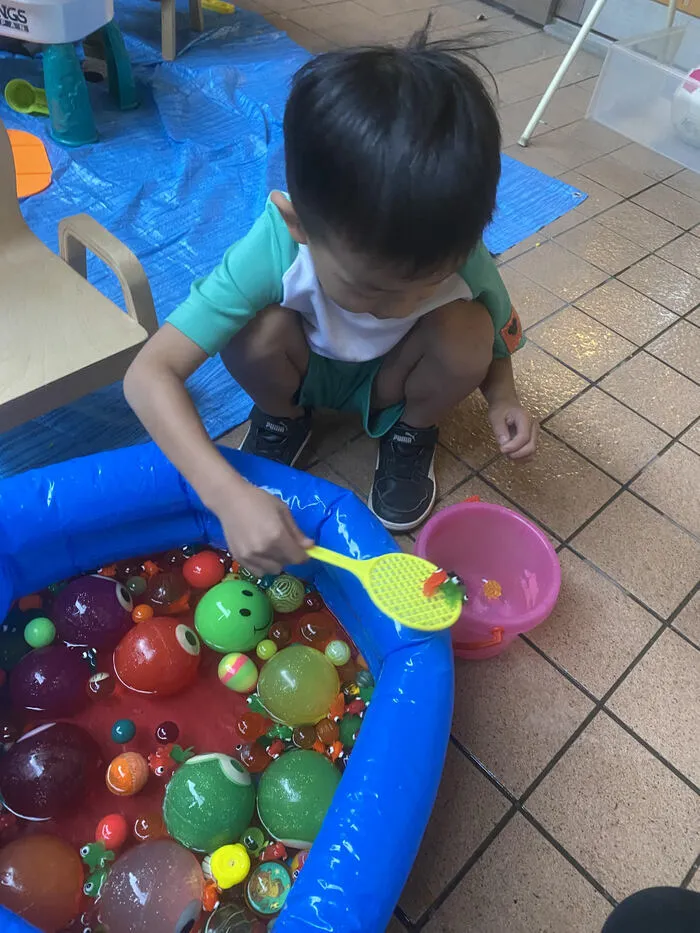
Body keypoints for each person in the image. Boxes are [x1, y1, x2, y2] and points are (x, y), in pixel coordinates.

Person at [124, 27, 538, 578]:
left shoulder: (459, 250)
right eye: (373, 288)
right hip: (303, 367)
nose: (404, 304)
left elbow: (497, 337)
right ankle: (282, 419)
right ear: (299, 225)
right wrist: (225, 492)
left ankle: (411, 430)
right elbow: (148, 374)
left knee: (469, 332)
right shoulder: (274, 245)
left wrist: (502, 398)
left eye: (428, 283)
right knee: (255, 331)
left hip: (393, 378)